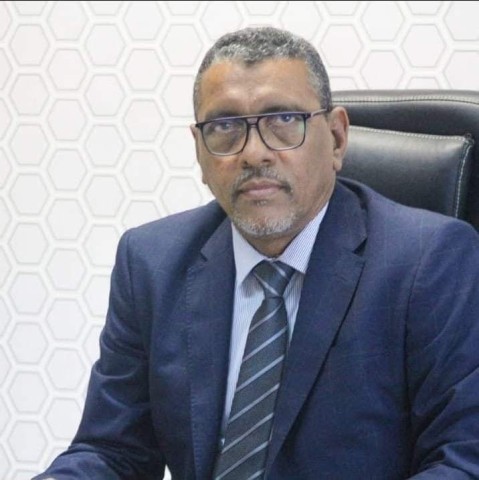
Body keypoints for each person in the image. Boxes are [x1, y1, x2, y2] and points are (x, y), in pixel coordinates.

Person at [34, 26, 479, 480]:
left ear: (337, 138)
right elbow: (114, 452)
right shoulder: (152, 263)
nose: (253, 153)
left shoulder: (429, 262)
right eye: (224, 127)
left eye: (282, 119)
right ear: (199, 151)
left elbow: (464, 460)